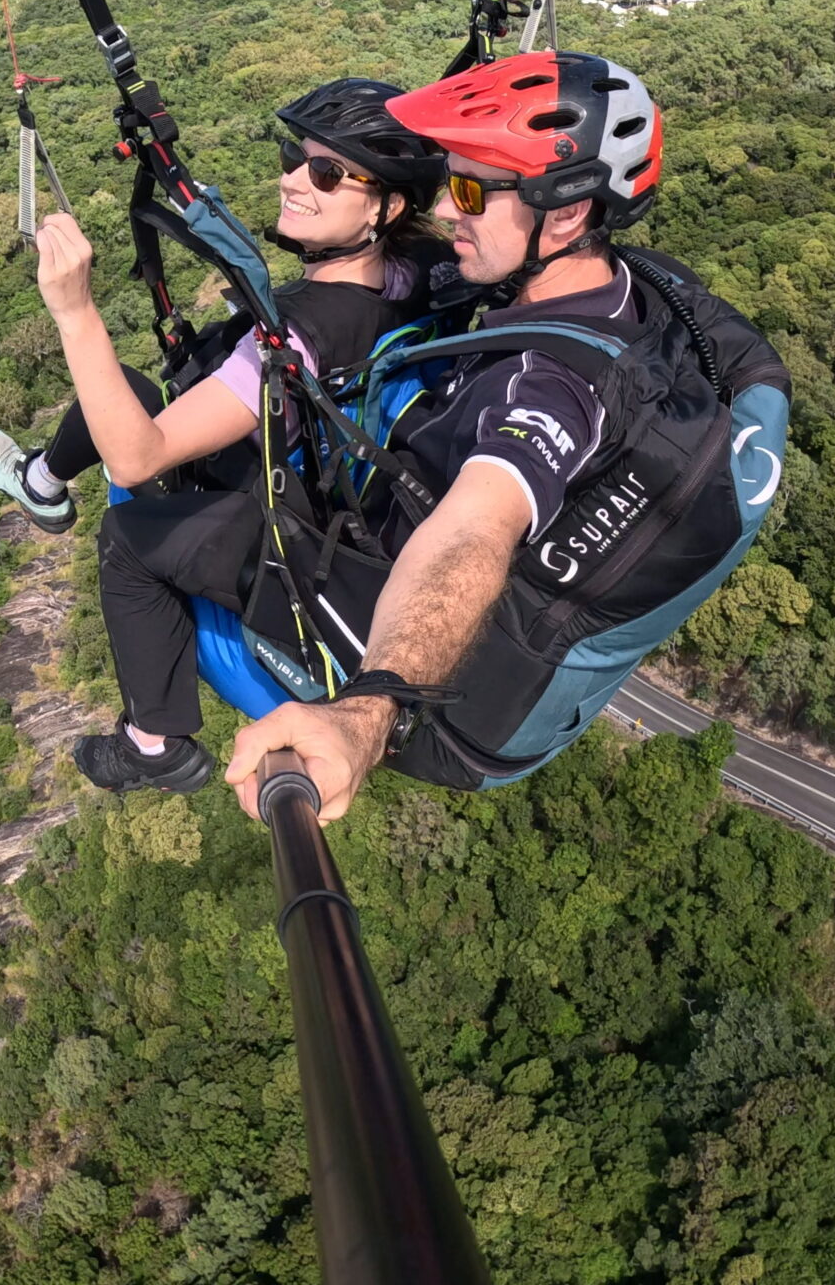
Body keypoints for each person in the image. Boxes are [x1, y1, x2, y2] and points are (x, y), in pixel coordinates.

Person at [74, 49, 790, 814]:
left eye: (471, 190)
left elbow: (474, 532)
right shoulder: (616, 286)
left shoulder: (546, 390)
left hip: (450, 708)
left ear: (570, 210)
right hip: (496, 632)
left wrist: (367, 713)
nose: (446, 211)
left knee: (132, 534)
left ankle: (152, 744)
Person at [0, 79, 447, 792]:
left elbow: (137, 456)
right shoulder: (422, 275)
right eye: (295, 157)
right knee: (125, 390)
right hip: (324, 472)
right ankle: (42, 483)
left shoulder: (300, 337)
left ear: (386, 206)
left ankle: (153, 742)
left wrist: (73, 309)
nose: (292, 180)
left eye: (325, 172)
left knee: (126, 540)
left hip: (293, 536)